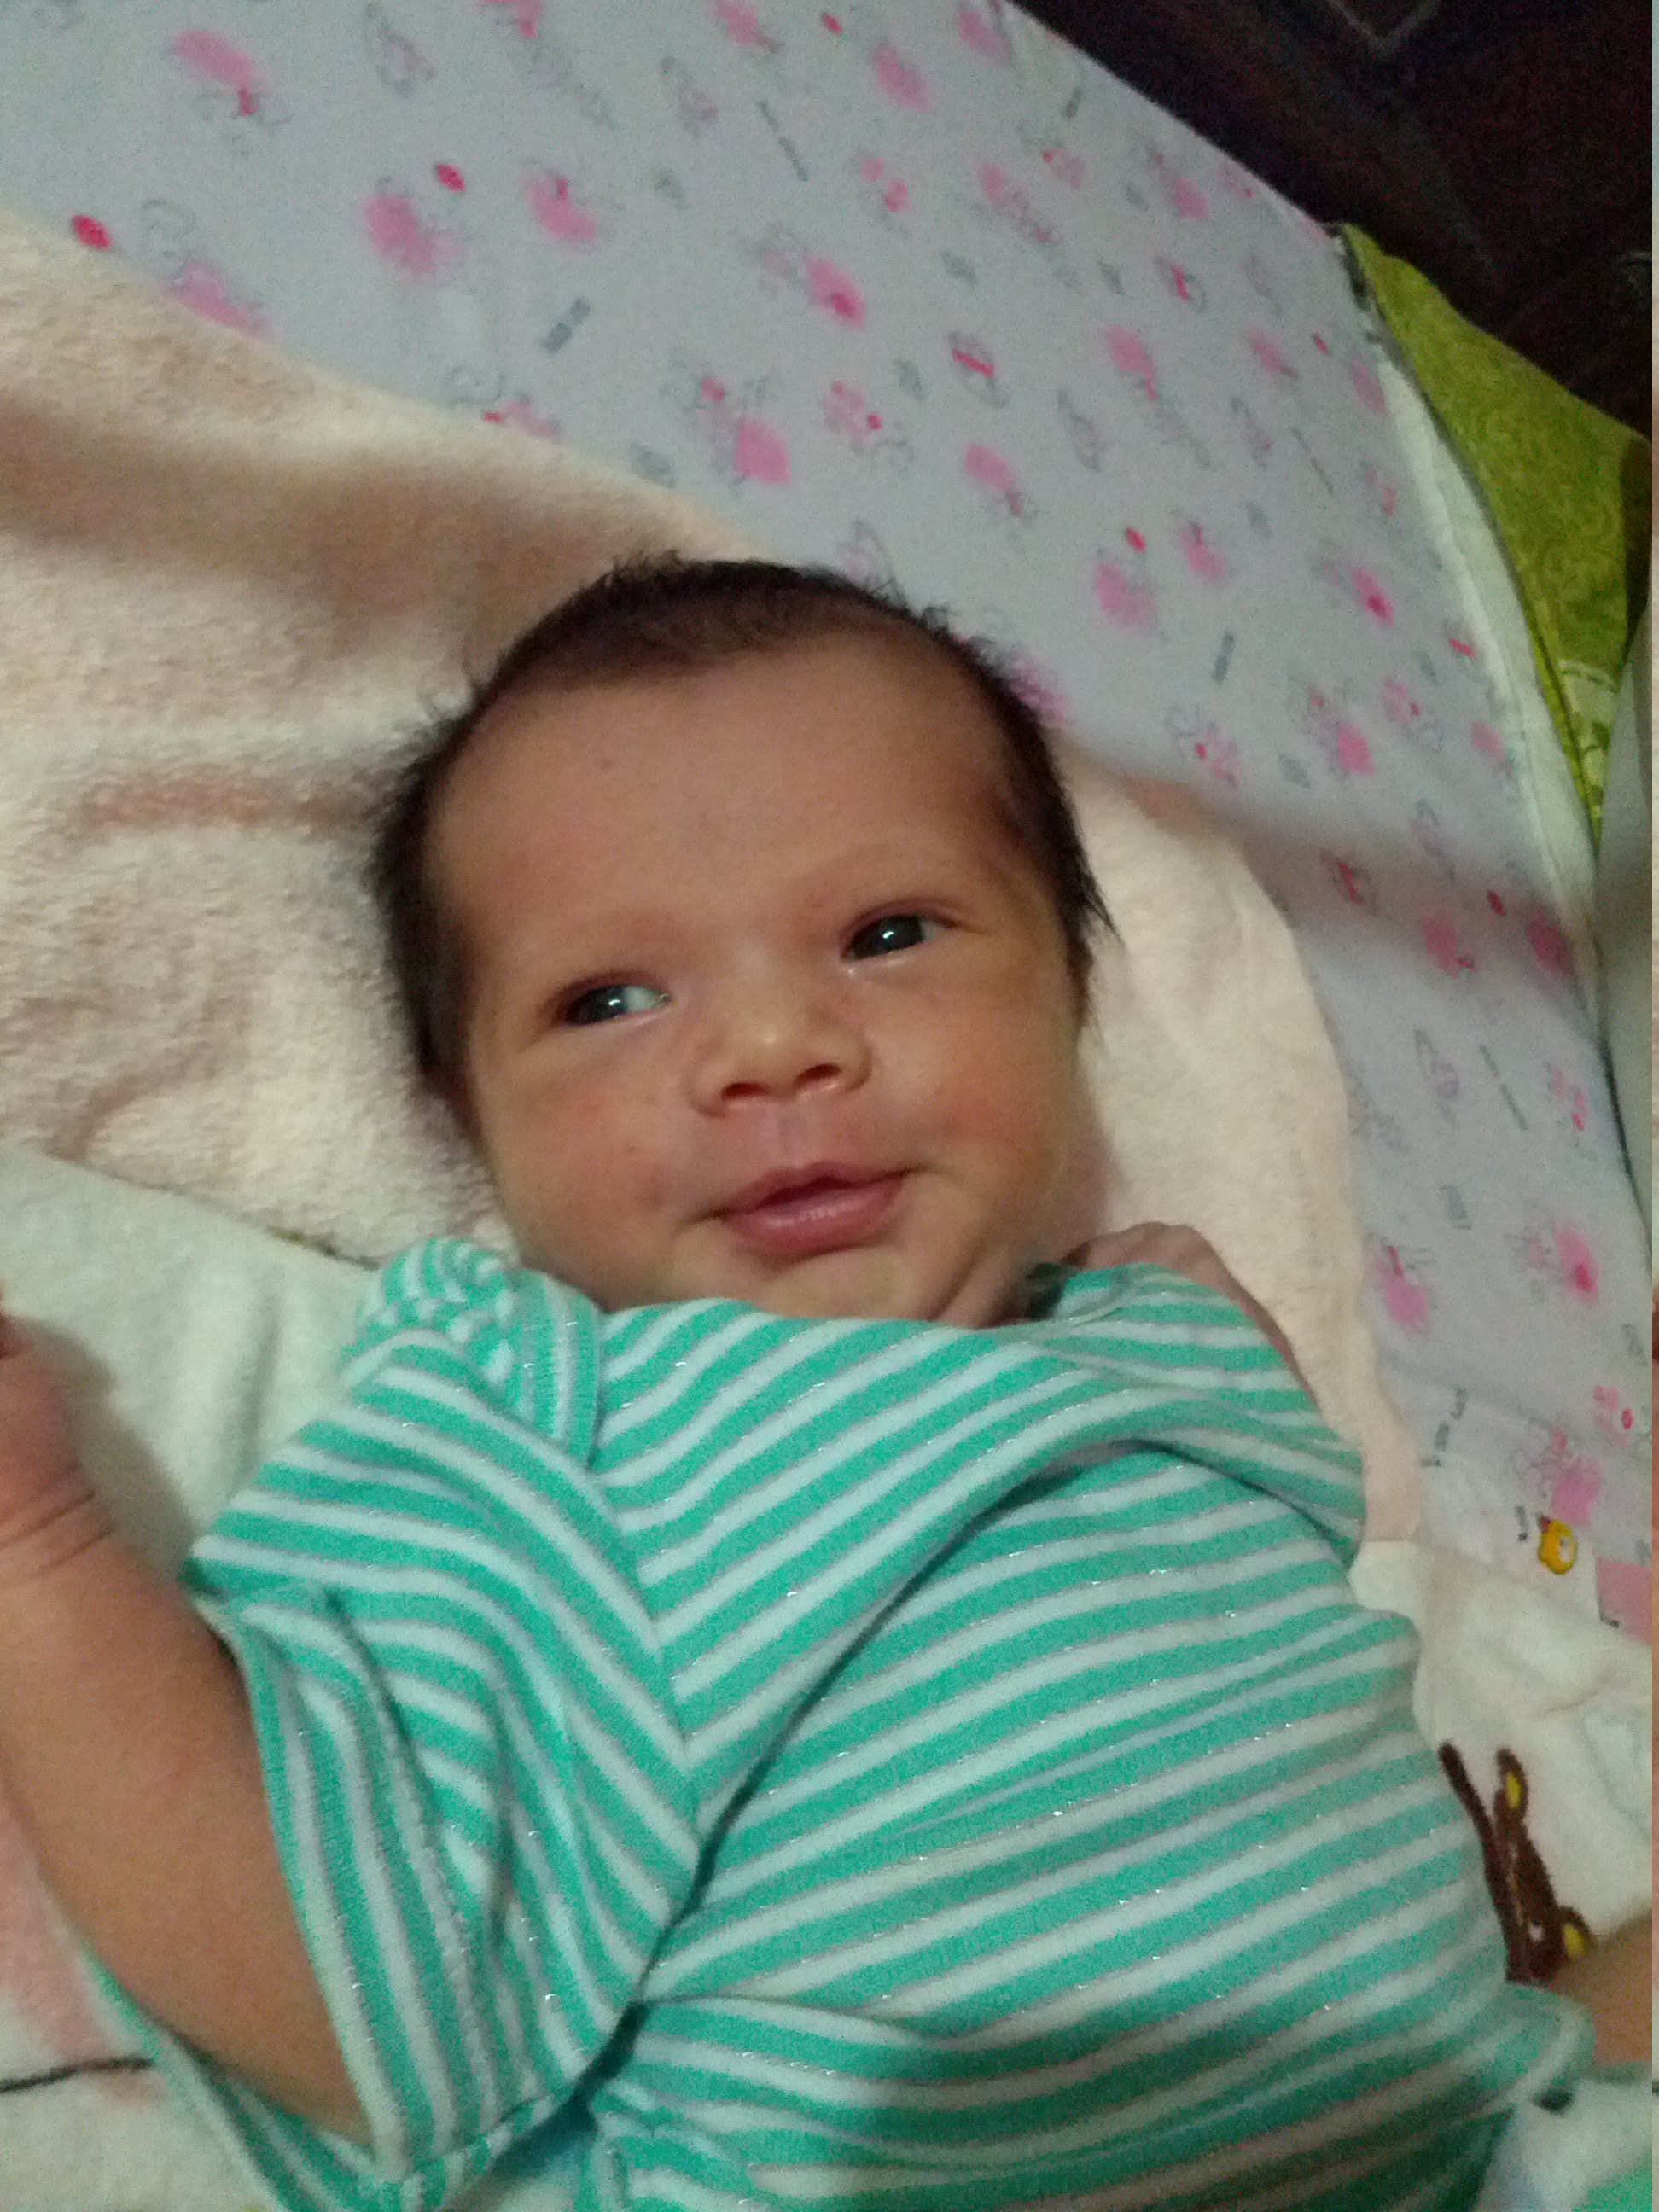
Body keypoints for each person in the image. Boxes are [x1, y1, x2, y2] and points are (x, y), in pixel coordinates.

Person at [0, 560, 1626, 2211]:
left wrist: (1204, 1353)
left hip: (1496, 2148)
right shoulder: (563, 1426)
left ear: (1071, 992)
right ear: (460, 1110)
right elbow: (345, 1977)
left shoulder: (1167, 1338)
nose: (775, 1045)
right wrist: (38, 1546)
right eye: (608, 1000)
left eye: (887, 935)